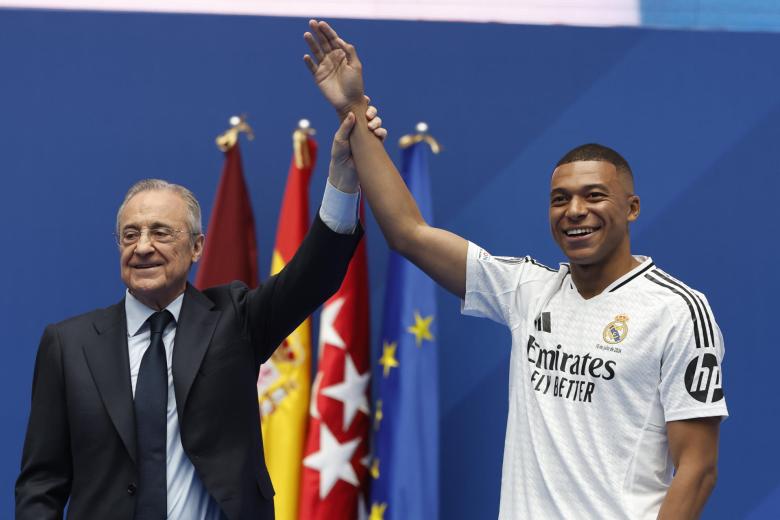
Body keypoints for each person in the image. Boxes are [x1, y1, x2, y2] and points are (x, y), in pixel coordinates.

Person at [302, 20, 728, 519]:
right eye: (560, 199)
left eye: (594, 196)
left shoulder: (678, 311)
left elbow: (697, 469)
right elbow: (408, 233)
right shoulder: (527, 290)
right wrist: (352, 108)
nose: (574, 211)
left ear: (631, 207)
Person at [15, 108, 387, 520]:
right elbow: (41, 484)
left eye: (161, 232)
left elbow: (313, 276)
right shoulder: (69, 345)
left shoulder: (236, 320)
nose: (142, 247)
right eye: (130, 234)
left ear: (196, 248)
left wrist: (343, 177)